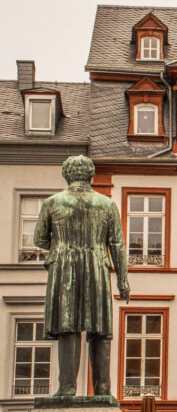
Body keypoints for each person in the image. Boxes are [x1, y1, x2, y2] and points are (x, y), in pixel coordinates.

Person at [34, 155, 130, 397]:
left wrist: (62, 244)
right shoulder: (107, 204)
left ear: (66, 175)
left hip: (64, 267)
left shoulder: (52, 203)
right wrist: (123, 281)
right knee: (100, 329)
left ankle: (67, 388)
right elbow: (117, 245)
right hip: (97, 266)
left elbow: (39, 239)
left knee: (68, 326)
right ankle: (103, 390)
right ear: (91, 176)